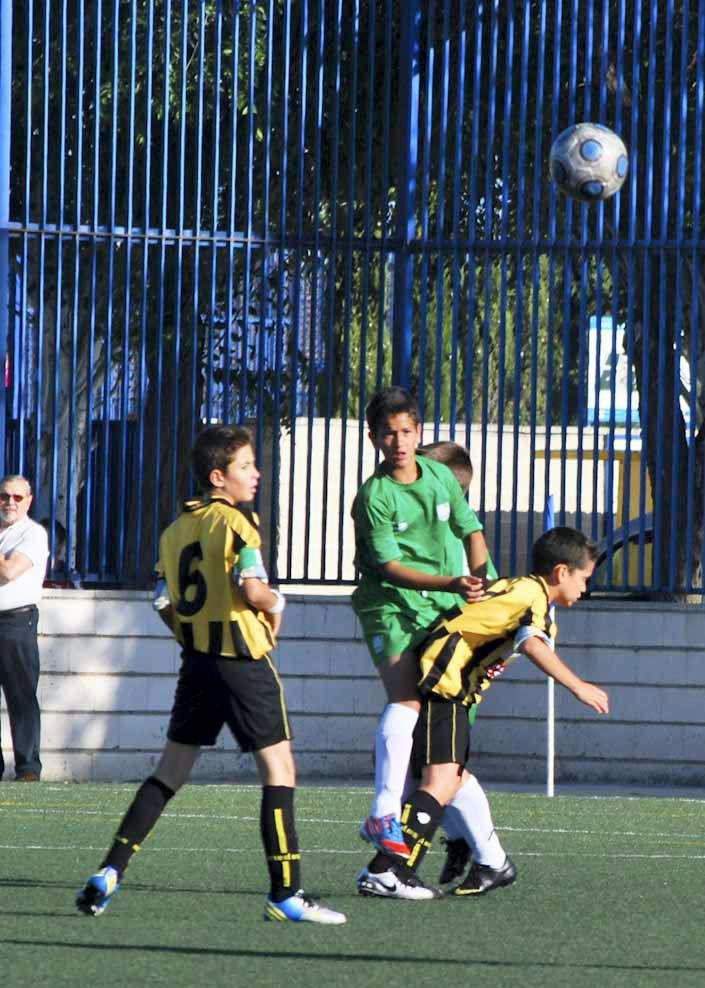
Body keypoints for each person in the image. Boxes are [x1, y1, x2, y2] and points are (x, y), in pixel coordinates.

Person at [76, 425, 346, 925]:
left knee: (170, 772)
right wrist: (278, 603)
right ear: (218, 476)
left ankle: (110, 871)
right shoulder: (240, 523)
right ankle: (287, 893)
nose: (256, 473)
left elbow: (162, 601)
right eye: (246, 466)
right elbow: (253, 588)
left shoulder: (175, 529)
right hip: (243, 662)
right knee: (280, 770)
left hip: (198, 662)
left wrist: (191, 636)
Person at [357, 526, 610, 899]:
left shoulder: (519, 588)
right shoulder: (533, 597)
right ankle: (388, 871)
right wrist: (578, 685)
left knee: (452, 778)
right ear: (561, 572)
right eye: (584, 578)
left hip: (447, 684)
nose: (585, 589)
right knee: (440, 782)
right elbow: (533, 643)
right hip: (446, 685)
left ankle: (491, 861)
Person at [351, 387, 489, 879]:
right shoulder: (374, 497)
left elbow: (473, 531)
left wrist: (482, 589)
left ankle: (476, 851)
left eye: (406, 431)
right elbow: (387, 566)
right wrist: (454, 582)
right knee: (409, 709)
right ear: (374, 438)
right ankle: (387, 816)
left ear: (419, 433)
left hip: (445, 617)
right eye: (388, 433)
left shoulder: (439, 479)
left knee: (438, 756)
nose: (398, 441)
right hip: (390, 608)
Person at [416, 441, 504, 887]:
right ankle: (462, 840)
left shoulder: (468, 541)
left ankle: (490, 857)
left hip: (454, 672)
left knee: (443, 767)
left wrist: (490, 662)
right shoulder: (426, 531)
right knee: (422, 761)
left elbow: (494, 611)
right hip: (426, 661)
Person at [0, 474, 49, 782]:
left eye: (18, 497)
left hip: (16, 622)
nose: (10, 503)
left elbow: (8, 571)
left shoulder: (32, 534)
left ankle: (28, 768)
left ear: (28, 501)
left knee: (21, 697)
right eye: (5, 496)